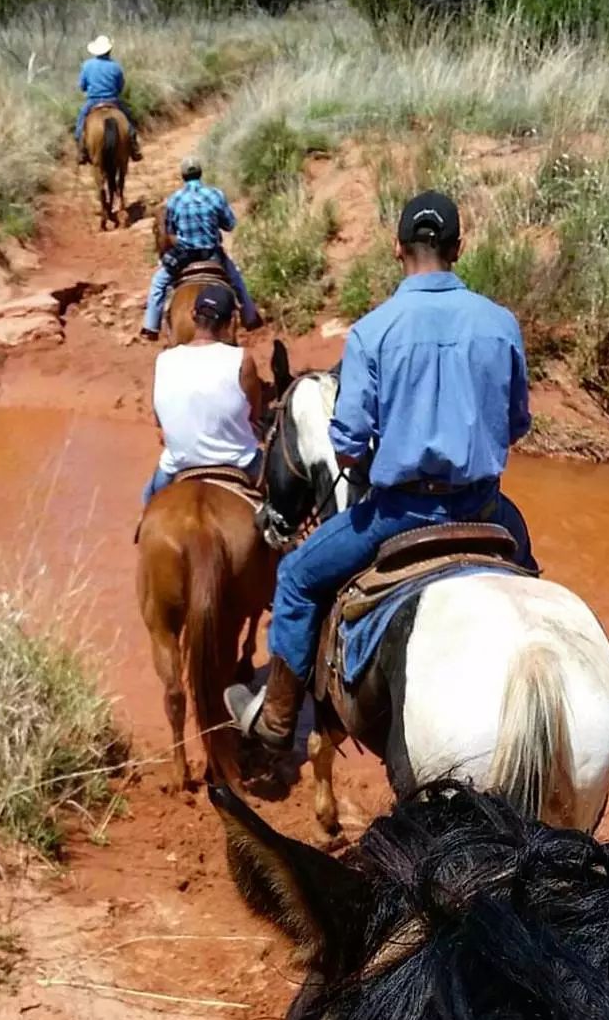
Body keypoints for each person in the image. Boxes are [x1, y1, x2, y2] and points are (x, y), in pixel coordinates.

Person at [225, 190, 537, 750]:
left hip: (399, 514)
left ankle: (276, 716)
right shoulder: (500, 324)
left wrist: (372, 452)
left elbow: (346, 445)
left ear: (397, 249)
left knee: (295, 577)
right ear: (458, 248)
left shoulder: (374, 331)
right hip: (487, 507)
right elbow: (515, 424)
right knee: (535, 591)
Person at [142, 285, 264, 506]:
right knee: (287, 509)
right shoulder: (242, 359)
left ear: (192, 315)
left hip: (178, 463)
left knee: (148, 501)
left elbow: (159, 423)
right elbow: (254, 415)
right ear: (231, 322)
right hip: (241, 461)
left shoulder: (164, 360)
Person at [141, 156, 260, 340]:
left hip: (184, 257)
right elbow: (230, 224)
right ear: (200, 173)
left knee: (158, 283)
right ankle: (250, 317)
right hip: (213, 256)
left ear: (183, 176)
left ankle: (151, 326)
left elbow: (170, 231)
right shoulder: (215, 195)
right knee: (236, 279)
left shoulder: (174, 199)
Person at [75, 35, 142, 164]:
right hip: (113, 100)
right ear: (109, 50)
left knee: (80, 122)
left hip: (93, 101)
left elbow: (82, 86)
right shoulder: (116, 66)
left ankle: (82, 149)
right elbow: (120, 86)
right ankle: (134, 147)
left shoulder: (87, 65)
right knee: (129, 120)